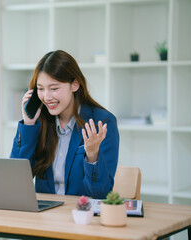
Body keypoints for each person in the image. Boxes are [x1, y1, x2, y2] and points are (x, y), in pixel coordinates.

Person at [10, 50, 119, 199]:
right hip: (43, 216)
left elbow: (100, 194)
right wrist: (28, 125)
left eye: (54, 88)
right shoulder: (39, 122)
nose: (47, 97)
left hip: (81, 215)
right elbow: (15, 181)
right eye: (40, 89)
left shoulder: (102, 123)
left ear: (74, 85)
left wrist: (93, 155)